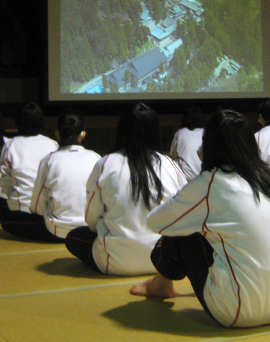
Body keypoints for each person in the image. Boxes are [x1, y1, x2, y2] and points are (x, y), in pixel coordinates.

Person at [130, 109, 270, 328]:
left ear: (208, 145)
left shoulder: (210, 183)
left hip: (239, 310)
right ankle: (161, 284)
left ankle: (160, 285)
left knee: (183, 226)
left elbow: (157, 222)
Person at [65, 103, 187, 275]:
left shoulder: (106, 163)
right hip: (164, 263)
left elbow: (92, 220)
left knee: (74, 237)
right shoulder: (169, 164)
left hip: (115, 263)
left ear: (121, 129)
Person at [1, 111, 100, 241]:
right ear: (82, 134)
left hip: (57, 231)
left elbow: (37, 207)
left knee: (9, 223)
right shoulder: (96, 158)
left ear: (57, 133)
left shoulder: (49, 160)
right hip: (91, 230)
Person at [0, 102, 58, 219]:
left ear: (18, 122)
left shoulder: (10, 144)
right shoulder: (52, 144)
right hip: (48, 209)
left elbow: (5, 182)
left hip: (20, 209)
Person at [169, 106, 205, 180]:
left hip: (187, 177)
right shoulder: (207, 132)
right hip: (205, 176)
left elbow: (172, 155)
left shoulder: (180, 133)